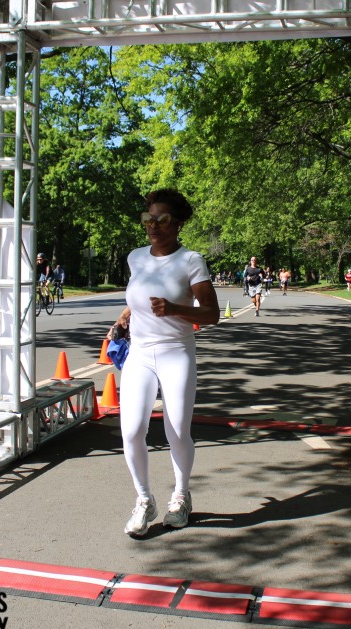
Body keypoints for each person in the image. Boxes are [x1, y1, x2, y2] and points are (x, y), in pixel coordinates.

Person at [108, 189, 220, 537]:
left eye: (162, 219)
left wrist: (174, 309)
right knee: (131, 431)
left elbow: (212, 314)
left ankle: (181, 496)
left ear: (178, 223)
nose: (153, 226)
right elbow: (138, 298)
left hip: (176, 352)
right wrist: (123, 318)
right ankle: (144, 500)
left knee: (177, 430)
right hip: (140, 354)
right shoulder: (136, 258)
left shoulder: (190, 261)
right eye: (148, 219)